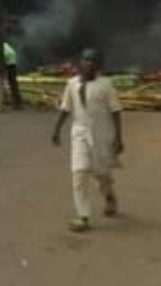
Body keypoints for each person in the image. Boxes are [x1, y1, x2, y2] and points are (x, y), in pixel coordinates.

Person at [51, 48, 125, 233]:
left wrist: (119, 137)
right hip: (79, 133)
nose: (89, 64)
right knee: (79, 172)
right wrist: (57, 130)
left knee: (101, 172)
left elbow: (116, 111)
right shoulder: (71, 84)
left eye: (93, 61)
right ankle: (83, 215)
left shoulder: (105, 85)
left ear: (99, 66)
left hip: (101, 133)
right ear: (80, 63)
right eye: (86, 60)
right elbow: (66, 108)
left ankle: (109, 195)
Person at [4, 41, 23, 110]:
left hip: (9, 66)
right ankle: (17, 102)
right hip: (12, 66)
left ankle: (16, 103)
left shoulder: (3, 48)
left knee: (10, 84)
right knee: (13, 85)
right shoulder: (7, 46)